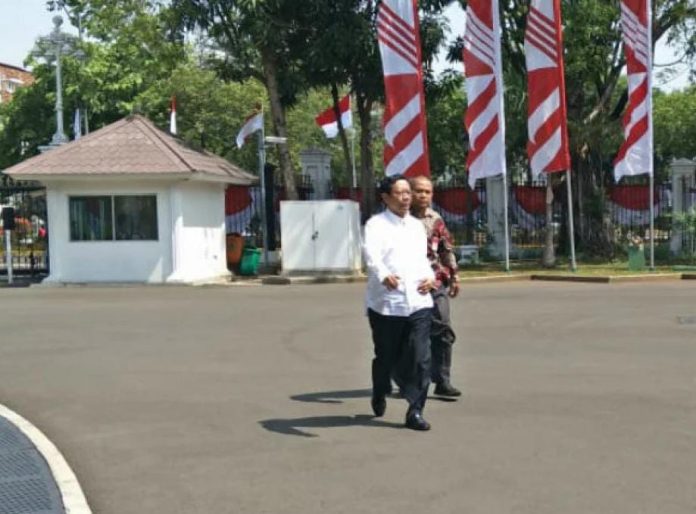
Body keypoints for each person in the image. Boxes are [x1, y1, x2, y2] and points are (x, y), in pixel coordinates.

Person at [363, 175, 436, 431]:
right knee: (386, 357)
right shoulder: (376, 225)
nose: (407, 198)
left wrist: (431, 277)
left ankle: (415, 410)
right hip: (387, 304)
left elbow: (422, 260)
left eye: (408, 193)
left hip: (418, 301)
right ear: (385, 197)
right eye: (400, 193)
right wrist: (384, 276)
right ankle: (380, 389)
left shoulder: (417, 226)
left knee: (421, 356)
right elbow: (371, 256)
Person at [410, 176, 462, 397]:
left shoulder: (436, 219)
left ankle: (442, 380)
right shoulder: (400, 219)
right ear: (409, 193)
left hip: (436, 281)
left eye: (427, 191)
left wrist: (454, 276)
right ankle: (408, 380)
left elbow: (445, 249)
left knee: (443, 329)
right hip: (410, 285)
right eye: (418, 191)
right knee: (411, 335)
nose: (423, 195)